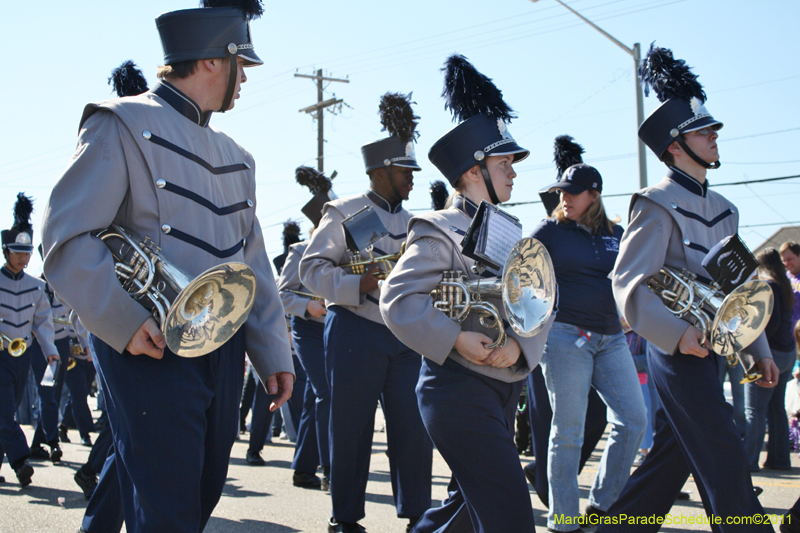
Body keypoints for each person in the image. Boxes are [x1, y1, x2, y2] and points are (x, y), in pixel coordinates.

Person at [40, 2, 295, 530]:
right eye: (240, 65)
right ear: (210, 62)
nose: (245, 78)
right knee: (168, 506)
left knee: (198, 494)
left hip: (223, 351)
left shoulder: (239, 156)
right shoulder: (123, 123)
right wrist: (123, 321)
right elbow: (65, 237)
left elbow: (252, 264)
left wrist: (274, 352)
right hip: (148, 344)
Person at [598, 44, 779, 532]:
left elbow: (739, 286)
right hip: (677, 347)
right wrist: (676, 335)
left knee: (672, 457)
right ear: (675, 146)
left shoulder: (725, 207)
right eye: (702, 130)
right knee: (722, 444)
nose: (714, 134)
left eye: (712, 127)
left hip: (718, 343)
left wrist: (758, 348)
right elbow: (628, 281)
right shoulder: (655, 203)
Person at [381, 54, 555, 533]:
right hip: (455, 387)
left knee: (458, 519)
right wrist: (454, 338)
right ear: (475, 169)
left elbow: (539, 303)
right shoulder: (437, 228)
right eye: (505, 164)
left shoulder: (516, 233)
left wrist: (520, 347)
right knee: (510, 516)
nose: (515, 173)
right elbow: (398, 300)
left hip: (505, 387)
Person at [300, 92, 432, 533]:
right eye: (404, 170)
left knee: (412, 430)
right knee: (351, 427)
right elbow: (311, 270)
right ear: (379, 171)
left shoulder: (416, 222)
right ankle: (345, 518)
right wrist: (360, 283)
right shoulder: (343, 212)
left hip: (404, 335)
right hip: (355, 328)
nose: (412, 178)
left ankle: (417, 513)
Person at [533, 135, 646, 532]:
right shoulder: (548, 231)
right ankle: (563, 520)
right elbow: (520, 274)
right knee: (569, 431)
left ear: (594, 195)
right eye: (562, 191)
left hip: (612, 337)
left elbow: (634, 277)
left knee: (633, 419)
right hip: (564, 336)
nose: (565, 198)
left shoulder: (616, 232)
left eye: (574, 193)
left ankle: (602, 505)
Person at [279, 167, 339, 491]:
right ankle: (331, 469)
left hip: (332, 330)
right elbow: (281, 294)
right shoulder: (299, 251)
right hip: (307, 329)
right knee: (326, 393)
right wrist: (307, 306)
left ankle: (303, 470)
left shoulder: (340, 252)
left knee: (314, 398)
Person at [0, 194, 59, 487]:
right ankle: (21, 461)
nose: (23, 258)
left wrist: (50, 352)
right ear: (5, 251)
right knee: (3, 408)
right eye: (17, 252)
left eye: (26, 253)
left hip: (22, 355)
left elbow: (43, 325)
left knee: (5, 412)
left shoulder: (37, 287)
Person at [745, 248, 797, 471]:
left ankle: (748, 461)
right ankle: (779, 459)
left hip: (770, 354)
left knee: (755, 410)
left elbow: (770, 324)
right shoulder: (784, 284)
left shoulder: (768, 286)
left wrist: (759, 351)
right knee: (776, 409)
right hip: (787, 352)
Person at [780, 241, 800, 328]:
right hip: (790, 335)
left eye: (790, 259)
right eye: (784, 261)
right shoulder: (784, 279)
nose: (786, 264)